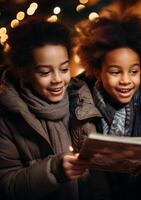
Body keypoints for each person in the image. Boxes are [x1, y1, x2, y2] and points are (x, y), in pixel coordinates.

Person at [0, 18, 88, 200]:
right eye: (45, 72)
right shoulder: (7, 119)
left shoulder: (82, 103)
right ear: (24, 73)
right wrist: (55, 170)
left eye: (64, 69)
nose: (57, 79)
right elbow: (7, 186)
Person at [71, 12, 141, 200]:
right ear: (97, 70)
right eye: (115, 72)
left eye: (133, 71)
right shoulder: (76, 102)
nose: (126, 81)